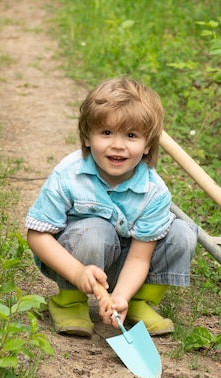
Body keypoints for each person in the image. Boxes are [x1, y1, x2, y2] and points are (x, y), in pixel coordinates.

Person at [25, 76, 198, 338]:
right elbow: (37, 235)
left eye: (131, 135)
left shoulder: (154, 192)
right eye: (106, 133)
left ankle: (138, 301)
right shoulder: (69, 176)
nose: (117, 144)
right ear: (87, 137)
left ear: (148, 144)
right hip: (75, 259)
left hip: (126, 266)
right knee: (96, 229)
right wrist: (77, 271)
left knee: (182, 233)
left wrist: (121, 296)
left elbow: (140, 256)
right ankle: (70, 301)